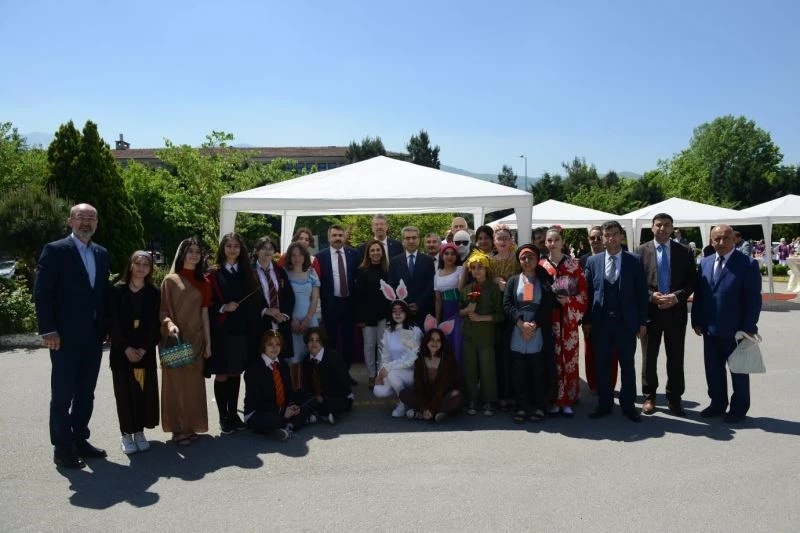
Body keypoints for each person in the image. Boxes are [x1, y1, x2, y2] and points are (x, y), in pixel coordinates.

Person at [34, 203, 111, 468]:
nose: (86, 222)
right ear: (70, 221)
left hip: (93, 336)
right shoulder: (55, 250)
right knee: (63, 395)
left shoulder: (101, 253)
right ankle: (62, 448)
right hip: (63, 337)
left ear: (97, 223)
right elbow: (42, 292)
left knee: (86, 393)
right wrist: (48, 329)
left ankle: (80, 439)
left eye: (91, 218)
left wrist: (107, 326)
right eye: (81, 217)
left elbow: (101, 293)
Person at [691, 224, 762, 423]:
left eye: (725, 238)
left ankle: (739, 408)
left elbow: (753, 300)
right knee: (713, 370)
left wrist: (749, 327)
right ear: (711, 241)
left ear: (734, 240)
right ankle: (717, 403)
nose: (721, 242)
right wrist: (696, 320)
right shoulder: (705, 262)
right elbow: (700, 294)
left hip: (737, 330)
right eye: (717, 239)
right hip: (710, 329)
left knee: (738, 370)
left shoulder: (747, 264)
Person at [583, 221, 648, 423]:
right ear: (602, 238)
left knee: (627, 366)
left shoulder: (634, 260)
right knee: (602, 366)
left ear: (621, 236)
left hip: (626, 323)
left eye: (614, 234)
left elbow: (641, 293)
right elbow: (588, 293)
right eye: (607, 235)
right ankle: (604, 404)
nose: (611, 238)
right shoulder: (593, 261)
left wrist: (642, 322)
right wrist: (586, 320)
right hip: (601, 323)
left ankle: (629, 407)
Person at [637, 214, 696, 416]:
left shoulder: (684, 251)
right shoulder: (640, 251)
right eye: (659, 225)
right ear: (652, 227)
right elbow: (636, 283)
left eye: (667, 225)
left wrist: (677, 296)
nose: (662, 228)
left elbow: (692, 281)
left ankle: (675, 399)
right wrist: (650, 296)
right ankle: (649, 397)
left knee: (676, 358)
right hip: (650, 313)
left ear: (672, 228)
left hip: (675, 312)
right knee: (648, 358)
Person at [160, 237, 212, 446]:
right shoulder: (170, 280)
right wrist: (170, 325)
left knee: (193, 387)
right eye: (190, 251)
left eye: (197, 251)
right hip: (176, 340)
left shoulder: (204, 282)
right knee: (175, 385)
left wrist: (208, 344)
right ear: (182, 254)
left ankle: (190, 427)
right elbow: (163, 310)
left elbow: (205, 314)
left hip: (197, 341)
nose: (194, 255)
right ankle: (177, 429)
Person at [206, 233, 261, 434]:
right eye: (228, 246)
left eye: (236, 246)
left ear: (241, 249)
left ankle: (233, 413)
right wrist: (223, 307)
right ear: (223, 248)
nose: (232, 249)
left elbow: (255, 301)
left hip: (241, 330)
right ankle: (223, 416)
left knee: (235, 372)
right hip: (221, 331)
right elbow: (206, 303)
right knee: (222, 373)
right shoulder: (213, 273)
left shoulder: (248, 272)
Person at [108, 250, 161, 454]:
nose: (141, 268)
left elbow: (155, 324)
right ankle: (126, 434)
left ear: (150, 269)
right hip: (122, 352)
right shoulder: (117, 290)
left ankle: (139, 431)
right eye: (137, 263)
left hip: (144, 352)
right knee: (124, 393)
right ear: (130, 265)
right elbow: (112, 322)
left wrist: (143, 348)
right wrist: (126, 347)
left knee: (142, 393)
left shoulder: (153, 292)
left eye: (146, 264)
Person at [503, 244, 557, 423]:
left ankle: (540, 406)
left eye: (531, 257)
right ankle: (521, 407)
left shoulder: (545, 280)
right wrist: (520, 323)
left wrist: (533, 324)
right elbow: (507, 304)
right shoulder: (513, 281)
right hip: (518, 328)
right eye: (523, 258)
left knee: (538, 370)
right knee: (518, 371)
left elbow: (548, 305)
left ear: (537, 259)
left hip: (537, 328)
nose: (527, 261)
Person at [540, 227, 588, 417]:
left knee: (569, 359)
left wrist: (569, 301)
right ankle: (554, 398)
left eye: (556, 240)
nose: (553, 243)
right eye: (549, 240)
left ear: (562, 242)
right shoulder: (541, 265)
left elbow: (583, 292)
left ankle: (568, 398)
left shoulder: (573, 265)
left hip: (568, 320)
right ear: (545, 243)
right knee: (551, 360)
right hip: (549, 318)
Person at [243, 331, 315, 441]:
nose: (274, 348)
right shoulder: (254, 369)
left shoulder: (283, 364)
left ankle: (286, 426)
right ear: (263, 346)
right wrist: (282, 411)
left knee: (310, 399)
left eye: (277, 344)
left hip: (282, 407)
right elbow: (256, 401)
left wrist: (291, 405)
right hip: (259, 411)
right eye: (270, 344)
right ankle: (293, 423)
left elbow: (288, 390)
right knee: (274, 418)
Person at [460, 253, 504, 416]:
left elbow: (500, 315)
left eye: (480, 267)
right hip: (469, 334)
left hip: (486, 334)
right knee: (469, 368)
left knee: (487, 368)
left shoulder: (493, 289)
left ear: (486, 269)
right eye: (473, 268)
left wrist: (481, 318)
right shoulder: (466, 289)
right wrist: (467, 310)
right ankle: (471, 399)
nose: (477, 271)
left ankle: (488, 401)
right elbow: (459, 311)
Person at [316, 225, 360, 382]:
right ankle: (332, 374)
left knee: (348, 341)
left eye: (340, 235)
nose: (337, 238)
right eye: (334, 235)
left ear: (345, 237)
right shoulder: (320, 257)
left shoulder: (354, 254)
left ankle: (345, 373)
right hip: (330, 304)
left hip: (349, 304)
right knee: (331, 341)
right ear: (329, 237)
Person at [580, 226, 618, 394]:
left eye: (598, 237)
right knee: (591, 352)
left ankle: (609, 384)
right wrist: (585, 318)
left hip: (613, 315)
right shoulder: (583, 260)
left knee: (611, 353)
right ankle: (594, 384)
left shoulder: (616, 257)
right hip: (592, 314)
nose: (595, 241)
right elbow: (585, 291)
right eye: (592, 238)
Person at [401, 324, 463, 422]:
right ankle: (435, 414)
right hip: (427, 397)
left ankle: (425, 414)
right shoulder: (419, 358)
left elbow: (444, 386)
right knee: (403, 393)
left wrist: (432, 408)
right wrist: (424, 407)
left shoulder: (448, 359)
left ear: (442, 343)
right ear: (426, 341)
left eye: (438, 340)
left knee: (456, 395)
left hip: (443, 395)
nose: (435, 343)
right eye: (432, 339)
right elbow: (419, 385)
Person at [374, 298, 423, 417]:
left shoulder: (414, 330)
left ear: (406, 312)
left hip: (413, 374)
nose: (397, 313)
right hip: (395, 372)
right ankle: (405, 395)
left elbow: (410, 360)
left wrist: (388, 368)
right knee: (379, 390)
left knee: (391, 374)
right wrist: (380, 373)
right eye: (394, 311)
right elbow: (385, 357)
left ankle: (403, 402)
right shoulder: (388, 332)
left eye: (401, 310)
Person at [490, 224, 520, 412]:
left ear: (511, 240)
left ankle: (515, 394)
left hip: (514, 309)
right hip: (495, 310)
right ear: (494, 241)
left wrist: (510, 284)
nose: (502, 241)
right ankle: (500, 394)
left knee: (513, 353)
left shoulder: (518, 259)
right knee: (498, 354)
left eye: (506, 238)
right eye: (499, 238)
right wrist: (494, 281)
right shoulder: (490, 261)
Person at [354, 239, 390, 389]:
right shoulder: (361, 271)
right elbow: (358, 296)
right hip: (367, 315)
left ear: (382, 252)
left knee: (382, 345)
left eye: (378, 250)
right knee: (369, 345)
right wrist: (360, 317)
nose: (375, 253)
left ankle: (380, 375)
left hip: (384, 314)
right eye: (372, 250)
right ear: (368, 254)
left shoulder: (388, 270)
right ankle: (371, 374)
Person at [301, 328, 354, 424]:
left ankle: (320, 413)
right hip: (317, 397)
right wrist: (315, 397)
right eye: (311, 340)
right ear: (307, 343)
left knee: (332, 403)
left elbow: (345, 383)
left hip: (338, 395)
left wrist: (324, 398)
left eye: (318, 340)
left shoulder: (334, 357)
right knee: (303, 402)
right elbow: (307, 385)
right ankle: (323, 413)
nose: (314, 343)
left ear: (322, 342)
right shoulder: (305, 361)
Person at [253, 237, 294, 360]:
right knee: (260, 360)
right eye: (263, 248)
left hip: (280, 323)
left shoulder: (280, 271)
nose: (267, 251)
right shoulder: (249, 272)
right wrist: (265, 311)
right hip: (260, 324)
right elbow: (248, 300)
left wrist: (285, 315)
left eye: (270, 248)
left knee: (280, 361)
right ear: (257, 251)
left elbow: (289, 296)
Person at [389, 226, 435, 328]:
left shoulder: (428, 260)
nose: (411, 241)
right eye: (408, 238)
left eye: (414, 238)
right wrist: (403, 304)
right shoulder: (394, 261)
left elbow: (430, 285)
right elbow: (392, 284)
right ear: (403, 241)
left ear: (419, 240)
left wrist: (418, 304)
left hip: (422, 310)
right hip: (401, 312)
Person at [284, 242, 321, 367]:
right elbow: (282, 299)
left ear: (305, 256)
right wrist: (291, 319)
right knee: (294, 357)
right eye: (294, 255)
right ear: (289, 257)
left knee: (312, 355)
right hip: (291, 320)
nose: (297, 258)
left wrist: (307, 319)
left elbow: (315, 298)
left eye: (300, 255)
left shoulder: (312, 273)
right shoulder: (284, 274)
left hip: (310, 320)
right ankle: (295, 380)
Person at [434, 243, 464, 365]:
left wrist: (465, 269)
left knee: (458, 343)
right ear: (442, 256)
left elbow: (461, 289)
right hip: (445, 311)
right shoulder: (437, 273)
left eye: (453, 254)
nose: (450, 256)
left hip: (458, 309)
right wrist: (437, 320)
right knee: (447, 342)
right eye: (446, 253)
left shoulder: (460, 269)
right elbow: (438, 299)